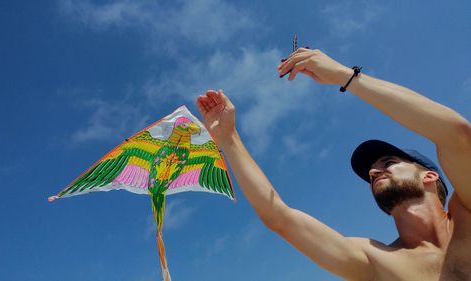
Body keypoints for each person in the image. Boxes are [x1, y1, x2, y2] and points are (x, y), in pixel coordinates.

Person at [195, 48, 470, 281]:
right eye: (372, 170)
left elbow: (457, 135)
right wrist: (229, 139)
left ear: (430, 176)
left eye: (389, 161)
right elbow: (279, 218)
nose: (374, 171)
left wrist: (344, 76)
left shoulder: (466, 213)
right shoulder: (377, 261)